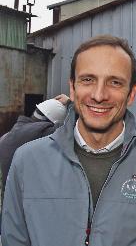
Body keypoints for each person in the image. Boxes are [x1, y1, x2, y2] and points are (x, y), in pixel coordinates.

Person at [1, 35, 136, 246]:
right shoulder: (26, 162)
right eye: (88, 80)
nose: (99, 95)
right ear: (73, 88)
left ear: (131, 94)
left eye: (115, 82)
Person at [0, 95, 69, 232]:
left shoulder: (10, 134)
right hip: (21, 208)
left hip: (7, 204)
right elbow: (69, 130)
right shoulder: (39, 133)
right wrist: (72, 102)